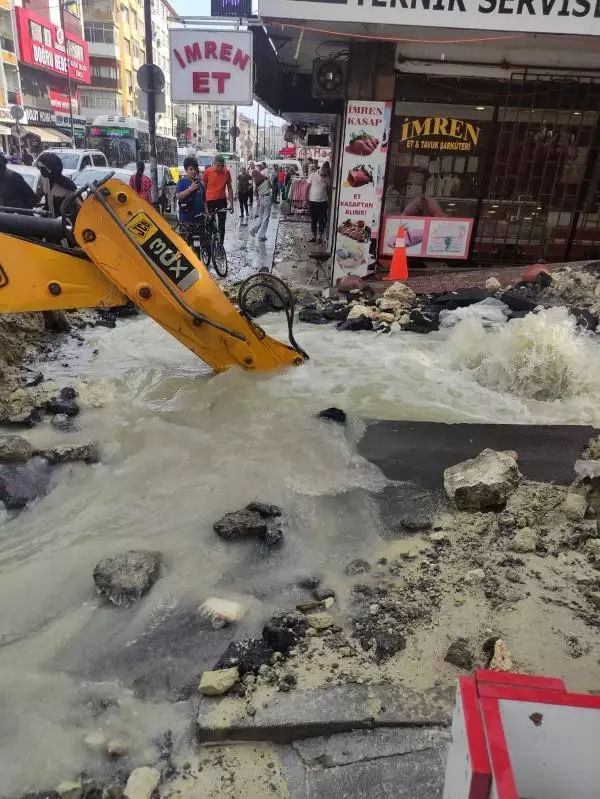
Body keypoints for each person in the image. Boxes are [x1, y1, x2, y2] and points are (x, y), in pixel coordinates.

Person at [202, 154, 233, 244]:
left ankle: (220, 244)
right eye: (218, 165)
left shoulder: (226, 172)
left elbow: (230, 188)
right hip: (210, 201)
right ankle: (210, 242)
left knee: (222, 224)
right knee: (210, 223)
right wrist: (203, 204)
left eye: (222, 166)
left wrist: (231, 204)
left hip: (221, 201)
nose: (220, 168)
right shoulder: (207, 172)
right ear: (213, 163)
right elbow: (203, 187)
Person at [37, 151, 78, 218]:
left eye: (43, 168)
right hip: (49, 222)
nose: (41, 171)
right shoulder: (44, 180)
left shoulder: (68, 186)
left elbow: (78, 208)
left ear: (52, 169)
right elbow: (39, 196)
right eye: (40, 168)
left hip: (65, 224)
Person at [175, 156, 205, 243]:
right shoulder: (182, 182)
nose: (193, 171)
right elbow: (178, 196)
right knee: (185, 247)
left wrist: (206, 213)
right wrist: (190, 189)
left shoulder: (200, 184)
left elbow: (204, 200)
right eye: (191, 169)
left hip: (199, 221)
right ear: (186, 170)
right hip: (186, 221)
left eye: (195, 169)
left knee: (198, 247)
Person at [307, 162, 330, 244]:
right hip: (313, 201)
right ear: (322, 169)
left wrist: (329, 201)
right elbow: (307, 187)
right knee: (313, 220)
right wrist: (306, 199)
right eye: (325, 172)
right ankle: (314, 236)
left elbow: (328, 190)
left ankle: (319, 237)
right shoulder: (313, 175)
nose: (326, 174)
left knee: (322, 221)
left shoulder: (328, 177)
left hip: (323, 202)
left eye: (327, 172)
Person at [249, 164, 272, 242]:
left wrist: (258, 200)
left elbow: (255, 191)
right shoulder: (265, 179)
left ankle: (253, 229)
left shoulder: (256, 182)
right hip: (267, 198)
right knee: (266, 217)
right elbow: (271, 186)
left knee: (261, 216)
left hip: (261, 199)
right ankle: (261, 235)